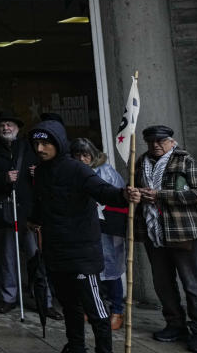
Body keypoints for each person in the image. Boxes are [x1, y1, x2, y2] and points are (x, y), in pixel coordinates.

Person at [28, 119, 129, 353]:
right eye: (36, 144)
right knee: (70, 306)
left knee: (96, 310)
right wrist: (34, 220)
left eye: (45, 144)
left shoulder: (77, 168)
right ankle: (75, 347)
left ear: (58, 143)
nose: (40, 149)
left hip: (82, 253)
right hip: (56, 252)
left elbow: (103, 192)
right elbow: (41, 203)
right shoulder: (41, 171)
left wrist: (124, 195)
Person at [127, 125, 197, 353]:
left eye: (160, 141)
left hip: (184, 233)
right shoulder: (139, 162)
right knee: (163, 285)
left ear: (171, 141)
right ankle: (175, 325)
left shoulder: (186, 161)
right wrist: (132, 194)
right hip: (153, 232)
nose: (155, 145)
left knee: (192, 285)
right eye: (151, 141)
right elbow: (130, 189)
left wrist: (160, 195)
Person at [0, 110, 60, 318]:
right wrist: (3, 177)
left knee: (38, 257)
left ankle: (44, 300)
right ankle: (8, 298)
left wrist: (37, 174)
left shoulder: (31, 148)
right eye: (2, 125)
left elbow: (49, 171)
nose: (6, 128)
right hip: (8, 210)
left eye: (9, 124)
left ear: (17, 127)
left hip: (32, 211)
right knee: (8, 256)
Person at [70, 138, 127, 331]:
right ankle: (94, 306)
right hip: (82, 228)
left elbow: (119, 196)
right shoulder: (71, 171)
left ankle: (117, 310)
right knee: (88, 270)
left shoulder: (106, 171)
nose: (81, 158)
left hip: (106, 229)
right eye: (77, 155)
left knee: (110, 269)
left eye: (85, 155)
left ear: (93, 155)